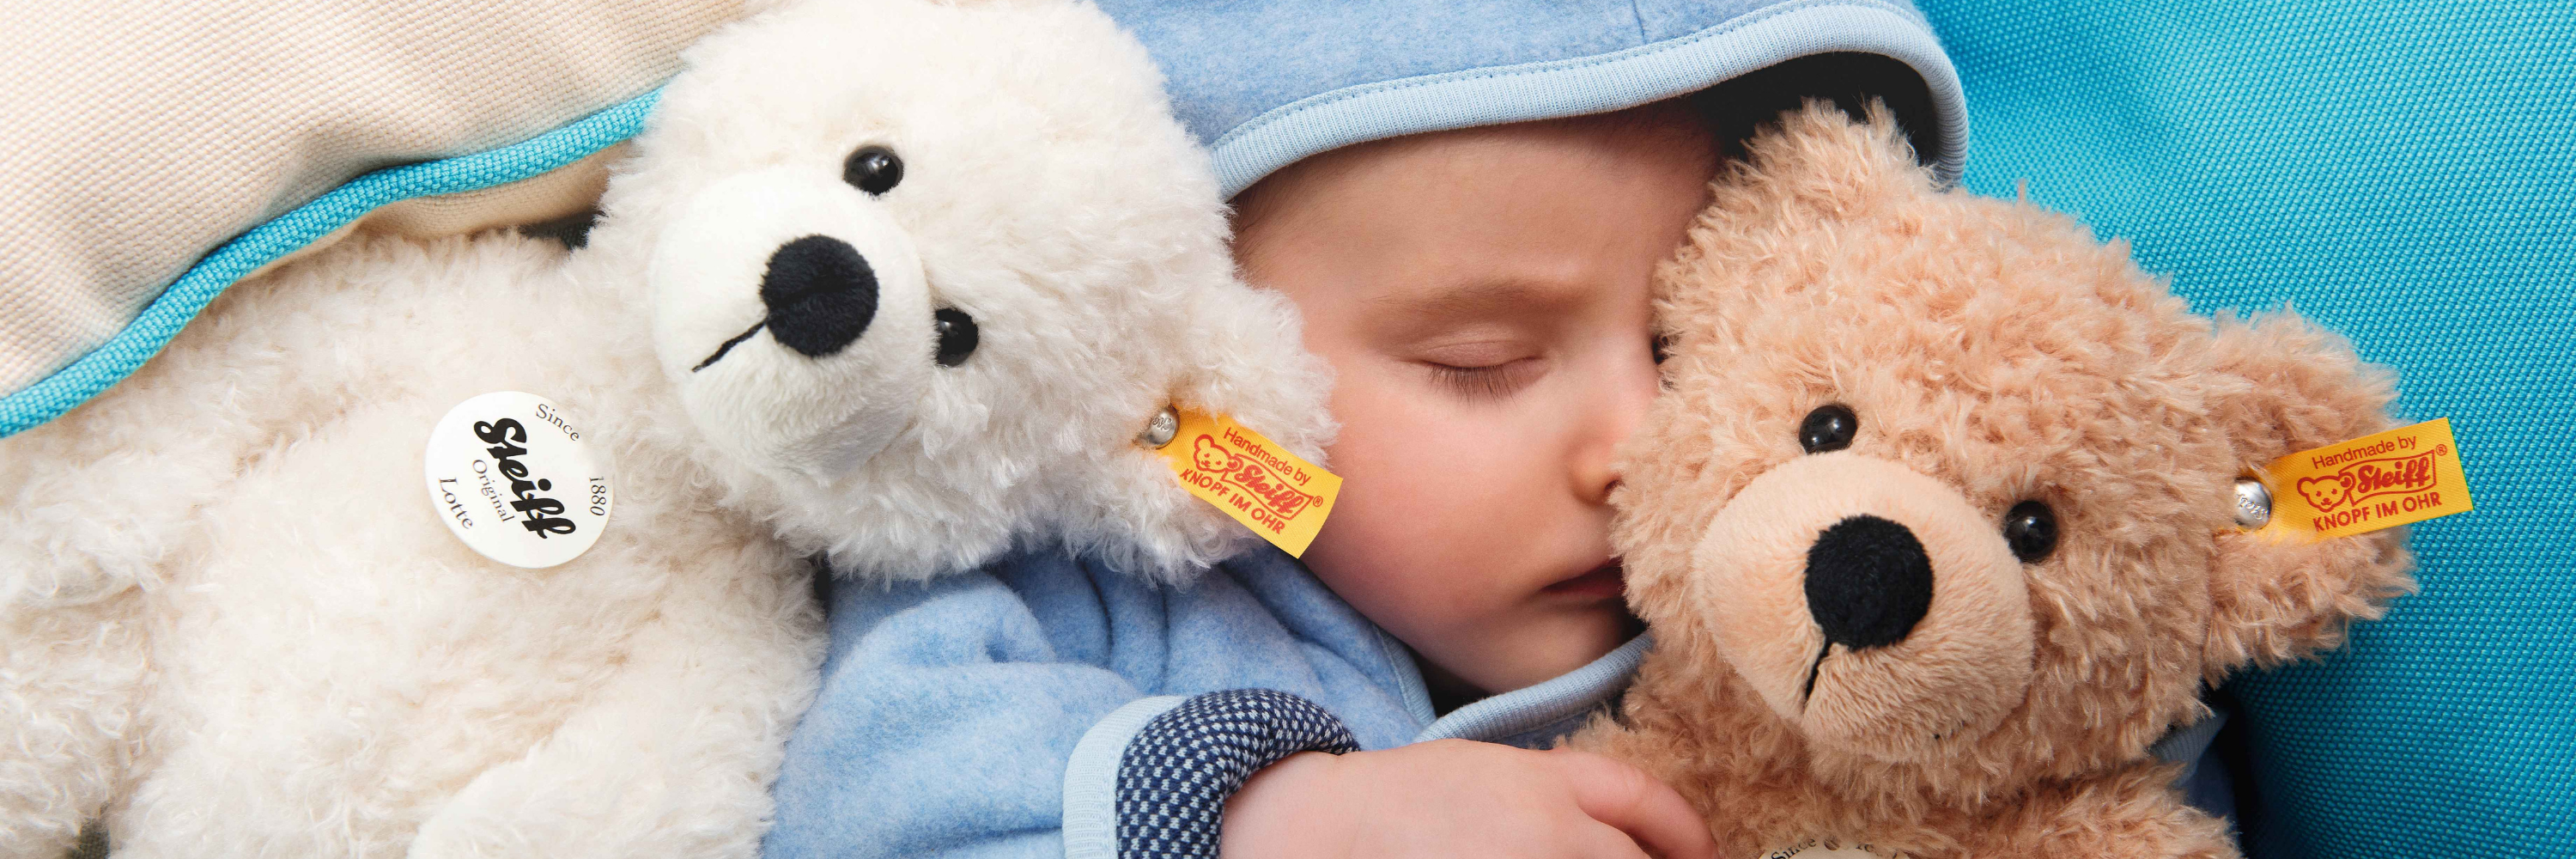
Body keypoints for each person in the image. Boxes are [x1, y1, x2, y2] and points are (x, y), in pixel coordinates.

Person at [760, 4, 1974, 859]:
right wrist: (1267, 818)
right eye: (1480, 365)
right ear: (1197, 352)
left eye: (1692, 345)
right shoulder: (1077, 593)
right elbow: (851, 802)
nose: (1640, 444)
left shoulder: (1821, 619)